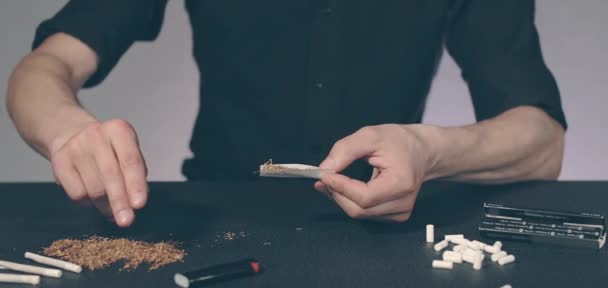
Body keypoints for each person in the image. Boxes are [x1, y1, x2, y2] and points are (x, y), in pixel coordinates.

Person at [6, 1, 566, 227]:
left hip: (388, 234)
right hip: (213, 218)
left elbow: (541, 140)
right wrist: (68, 131)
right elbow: (43, 67)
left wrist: (430, 150)